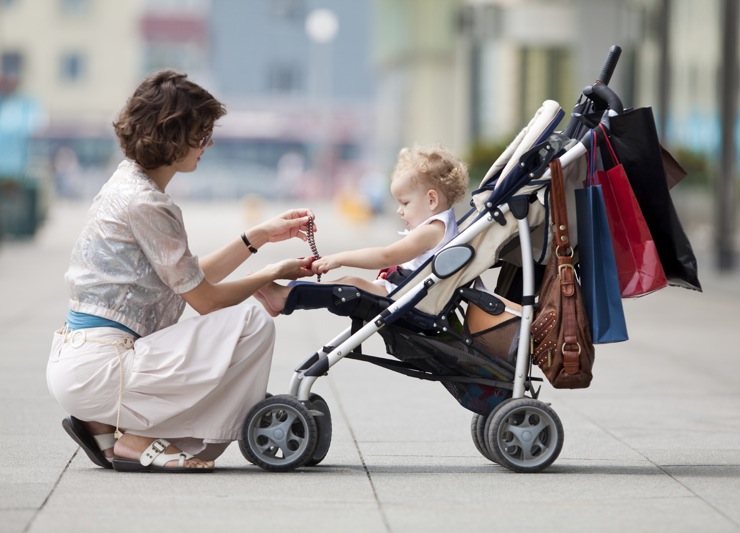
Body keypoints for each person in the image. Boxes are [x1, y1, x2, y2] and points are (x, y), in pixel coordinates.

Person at [47, 69, 316, 473]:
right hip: (103, 369)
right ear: (172, 135)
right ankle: (142, 438)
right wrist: (267, 276)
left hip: (83, 362)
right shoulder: (148, 203)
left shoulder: (127, 183)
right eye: (201, 133)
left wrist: (258, 237)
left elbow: (185, 279)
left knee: (241, 320)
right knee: (252, 323)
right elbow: (205, 299)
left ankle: (111, 426)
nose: (208, 144)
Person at [254, 144, 469, 316]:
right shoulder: (441, 225)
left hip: (406, 297)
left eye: (405, 203)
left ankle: (285, 296)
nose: (399, 211)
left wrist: (339, 258)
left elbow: (386, 256)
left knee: (350, 285)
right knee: (348, 284)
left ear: (431, 199)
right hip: (404, 290)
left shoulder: (431, 231)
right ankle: (287, 294)